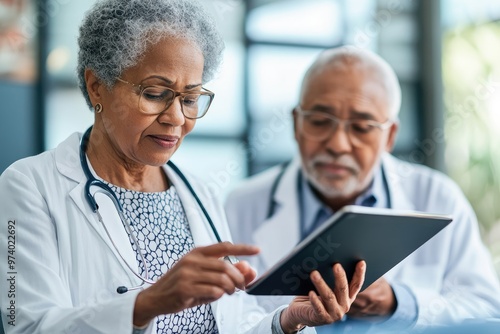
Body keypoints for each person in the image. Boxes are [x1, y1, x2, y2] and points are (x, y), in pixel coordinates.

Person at [0, 2, 367, 334]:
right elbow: (26, 326)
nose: (177, 118)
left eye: (190, 98)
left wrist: (286, 321)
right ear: (97, 87)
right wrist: (146, 305)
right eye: (155, 94)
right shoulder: (29, 187)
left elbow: (231, 322)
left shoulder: (199, 192)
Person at [225, 46, 500, 332]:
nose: (338, 145)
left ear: (390, 135)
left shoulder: (437, 197)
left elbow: (486, 309)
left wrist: (398, 304)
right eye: (320, 121)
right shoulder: (242, 206)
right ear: (297, 123)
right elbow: (227, 318)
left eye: (361, 127)